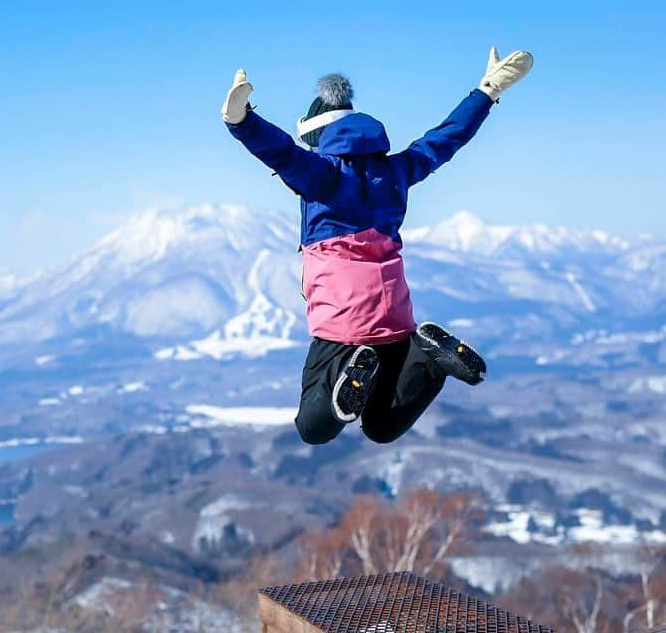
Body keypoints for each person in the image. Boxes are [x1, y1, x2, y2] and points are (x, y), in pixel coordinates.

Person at [222, 47, 533, 445]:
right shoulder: (397, 170)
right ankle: (427, 359)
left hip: (342, 321)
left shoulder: (321, 175)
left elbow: (279, 151)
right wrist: (486, 91)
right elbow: (444, 139)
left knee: (313, 428)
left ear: (318, 136)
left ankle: (347, 371)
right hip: (395, 315)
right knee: (383, 427)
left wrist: (240, 121)